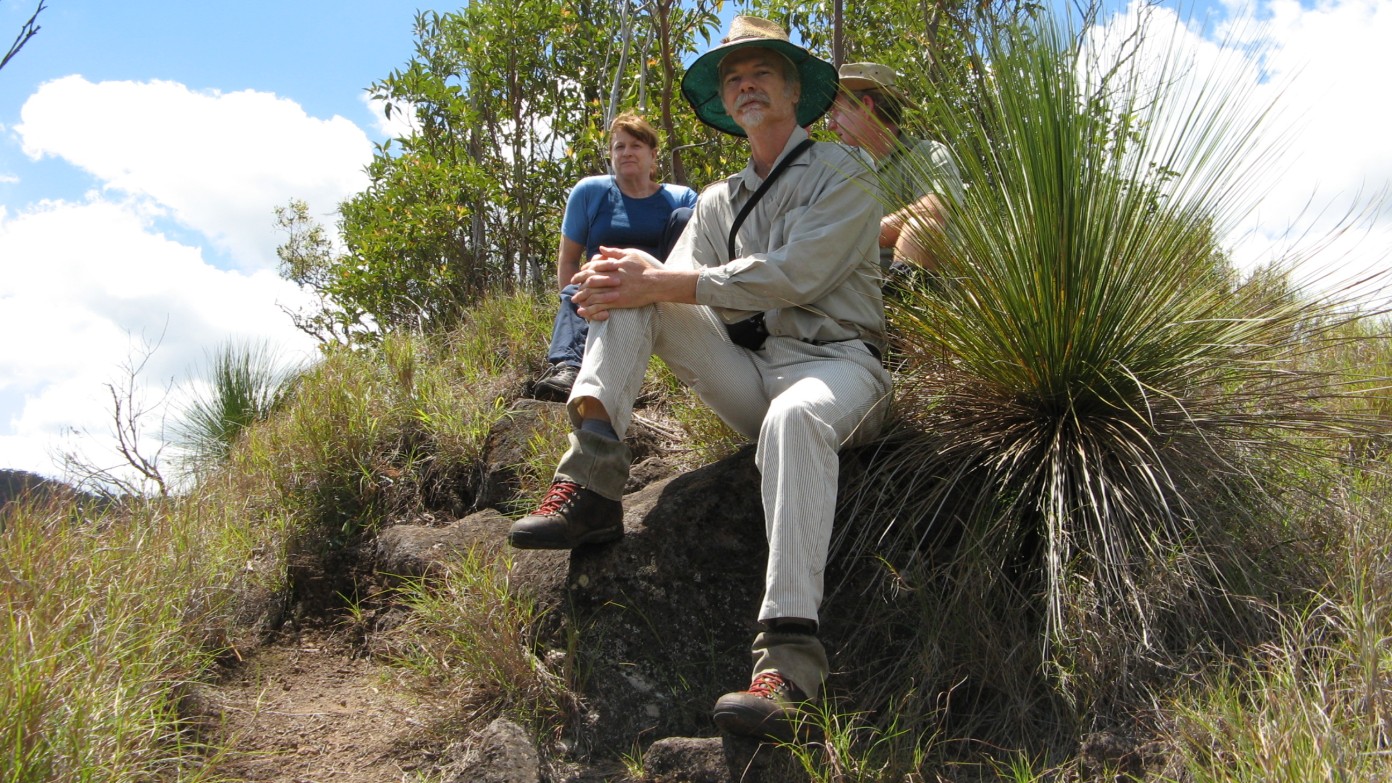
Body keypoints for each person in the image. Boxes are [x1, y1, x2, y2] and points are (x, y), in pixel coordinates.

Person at [507, 16, 891, 743]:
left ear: (793, 89)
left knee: (794, 415)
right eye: (732, 77)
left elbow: (795, 273)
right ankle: (591, 473)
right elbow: (670, 279)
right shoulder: (717, 199)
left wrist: (667, 282)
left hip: (840, 367)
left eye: (760, 72)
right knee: (635, 286)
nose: (745, 84)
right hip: (755, 372)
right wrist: (618, 279)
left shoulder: (844, 172)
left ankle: (789, 664)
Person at [533, 112, 697, 401]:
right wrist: (574, 301)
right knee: (579, 287)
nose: (626, 153)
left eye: (635, 145)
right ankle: (569, 367)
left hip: (657, 285)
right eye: (619, 147)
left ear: (652, 154)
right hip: (600, 282)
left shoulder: (681, 198)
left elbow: (697, 254)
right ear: (611, 155)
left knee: (685, 218)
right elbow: (569, 259)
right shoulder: (591, 192)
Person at [827, 62, 963, 279]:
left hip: (925, 294)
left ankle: (899, 298)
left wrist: (853, 238)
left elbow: (933, 210)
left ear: (866, 105)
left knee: (922, 229)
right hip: (854, 291)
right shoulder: (841, 172)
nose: (830, 126)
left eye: (835, 112)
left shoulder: (928, 153)